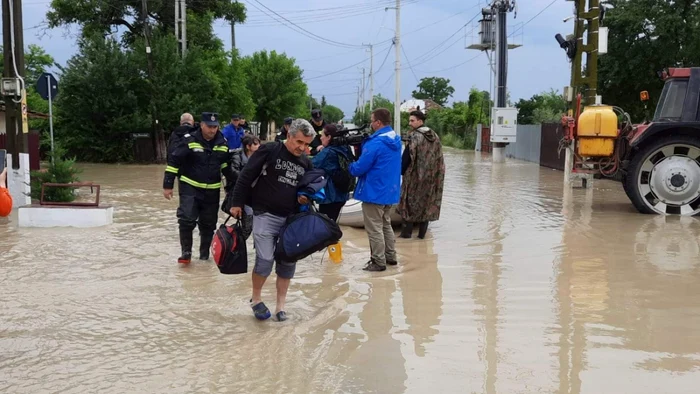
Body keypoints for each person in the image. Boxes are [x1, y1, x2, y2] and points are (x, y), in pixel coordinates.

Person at [229, 119, 316, 322]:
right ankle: (256, 299)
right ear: (289, 136)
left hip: (291, 220)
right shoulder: (270, 150)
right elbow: (246, 176)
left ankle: (280, 307)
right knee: (265, 259)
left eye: (306, 144)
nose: (302, 148)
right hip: (264, 214)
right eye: (299, 142)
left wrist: (305, 198)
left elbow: (307, 190)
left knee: (287, 263)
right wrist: (236, 203)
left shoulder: (306, 163)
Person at [163, 112, 235, 265]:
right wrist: (168, 185)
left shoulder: (223, 143)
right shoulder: (189, 140)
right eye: (209, 126)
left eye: (215, 127)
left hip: (212, 190)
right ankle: (186, 254)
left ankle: (204, 256)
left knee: (208, 224)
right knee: (186, 219)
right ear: (201, 125)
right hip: (190, 187)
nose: (212, 130)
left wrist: (232, 187)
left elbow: (225, 167)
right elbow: (174, 161)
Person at [349, 108, 402, 272]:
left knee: (374, 229)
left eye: (372, 121)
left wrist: (349, 165)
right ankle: (390, 256)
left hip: (374, 192)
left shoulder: (376, 143)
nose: (370, 124)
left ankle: (378, 261)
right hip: (390, 192)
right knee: (386, 225)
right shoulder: (396, 139)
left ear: (378, 122)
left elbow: (359, 168)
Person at [397, 110, 446, 239]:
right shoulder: (434, 135)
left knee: (408, 204)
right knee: (426, 204)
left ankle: (406, 236)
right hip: (431, 177)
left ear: (420, 121)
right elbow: (439, 157)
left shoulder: (414, 136)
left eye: (412, 120)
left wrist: (400, 172)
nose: (410, 123)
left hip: (414, 177)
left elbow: (406, 158)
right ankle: (421, 237)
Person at [311, 124, 353, 221]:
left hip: (330, 197)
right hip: (342, 194)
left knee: (324, 227)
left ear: (329, 137)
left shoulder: (328, 152)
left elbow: (311, 164)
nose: (320, 138)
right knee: (332, 223)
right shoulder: (346, 148)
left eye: (322, 135)